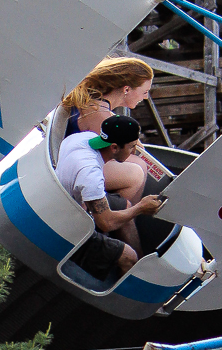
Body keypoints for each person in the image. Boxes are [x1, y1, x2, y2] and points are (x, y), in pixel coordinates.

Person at [55, 114, 163, 280]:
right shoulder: (91, 174)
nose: (134, 152)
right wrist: (141, 207)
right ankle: (124, 294)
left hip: (68, 201)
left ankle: (143, 269)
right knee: (128, 257)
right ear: (114, 147)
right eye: (131, 147)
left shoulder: (83, 138)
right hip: (63, 226)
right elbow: (106, 223)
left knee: (124, 205)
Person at [62, 57, 153, 204]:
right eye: (145, 91)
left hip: (75, 160)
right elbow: (123, 152)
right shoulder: (99, 116)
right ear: (127, 89)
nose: (146, 97)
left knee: (139, 163)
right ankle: (117, 217)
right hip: (74, 168)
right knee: (136, 172)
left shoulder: (98, 105)